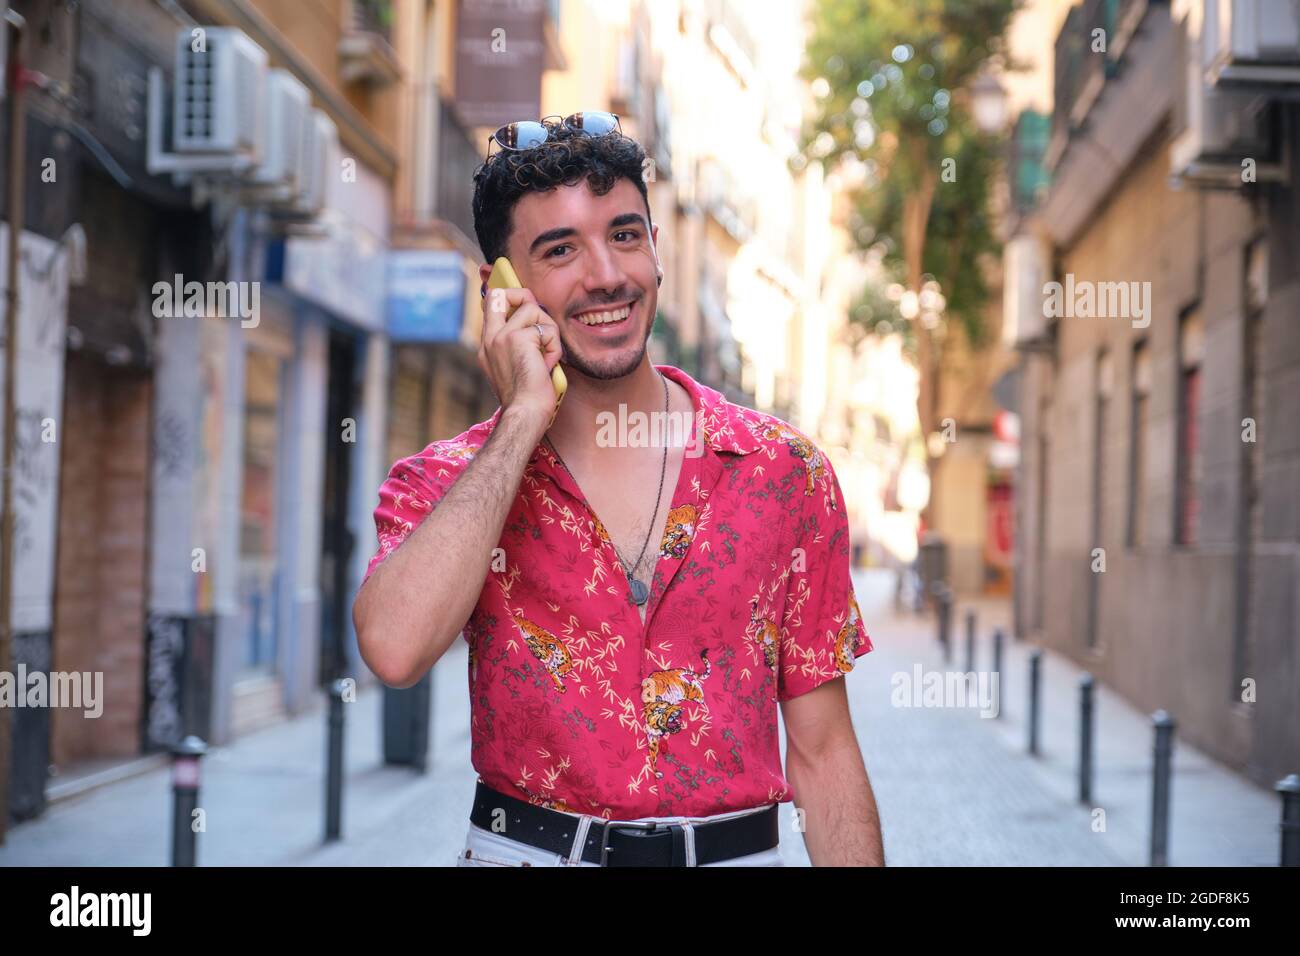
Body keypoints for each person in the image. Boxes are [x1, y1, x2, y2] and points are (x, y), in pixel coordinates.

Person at [352, 111, 884, 867]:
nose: (606, 274)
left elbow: (826, 752)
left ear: (657, 252)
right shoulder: (446, 482)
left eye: (625, 235)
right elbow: (394, 649)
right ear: (500, 288)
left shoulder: (783, 472)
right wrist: (524, 419)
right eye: (560, 249)